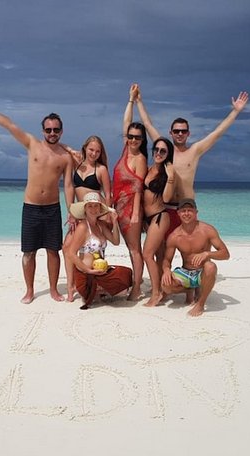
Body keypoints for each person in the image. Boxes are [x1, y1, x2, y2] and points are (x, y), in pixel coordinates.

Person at [0, 94, 74, 304]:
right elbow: (10, 125)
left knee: (53, 251)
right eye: (48, 130)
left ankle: (54, 290)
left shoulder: (65, 157)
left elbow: (68, 185)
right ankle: (30, 290)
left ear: (61, 131)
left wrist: (71, 211)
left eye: (56, 130)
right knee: (29, 252)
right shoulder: (32, 144)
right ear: (43, 131)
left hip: (52, 209)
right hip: (31, 208)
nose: (52, 133)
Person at [135, 85, 249, 205]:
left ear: (188, 133)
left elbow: (217, 133)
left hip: (186, 207)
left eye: (183, 131)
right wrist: (138, 101)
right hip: (165, 206)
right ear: (171, 133)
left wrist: (235, 111)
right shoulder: (164, 149)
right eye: (176, 131)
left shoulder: (194, 151)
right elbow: (148, 125)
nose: (180, 134)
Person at [161, 199, 230, 317]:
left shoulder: (207, 230)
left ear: (196, 212)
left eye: (190, 210)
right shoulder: (174, 236)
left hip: (202, 273)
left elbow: (225, 254)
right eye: (183, 211)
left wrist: (207, 254)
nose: (186, 213)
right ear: (178, 213)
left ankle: (200, 304)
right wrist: (166, 270)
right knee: (165, 286)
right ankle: (189, 290)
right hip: (186, 272)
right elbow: (167, 260)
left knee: (210, 266)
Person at [63, 136, 112, 301]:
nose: (94, 153)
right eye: (91, 149)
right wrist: (71, 210)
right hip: (81, 211)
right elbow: (70, 187)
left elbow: (108, 194)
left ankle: (94, 283)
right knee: (67, 247)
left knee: (95, 250)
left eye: (98, 151)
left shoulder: (101, 169)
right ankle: (71, 286)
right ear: (85, 148)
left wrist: (107, 215)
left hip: (97, 213)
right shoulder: (76, 163)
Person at [64, 192, 132, 310]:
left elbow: (116, 241)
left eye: (96, 206)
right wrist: (88, 270)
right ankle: (92, 290)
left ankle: (98, 290)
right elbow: (71, 253)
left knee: (127, 274)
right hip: (86, 274)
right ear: (85, 209)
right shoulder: (82, 227)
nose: (93, 209)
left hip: (100, 271)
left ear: (100, 208)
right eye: (90, 206)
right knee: (122, 290)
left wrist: (115, 222)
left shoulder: (100, 225)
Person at [113, 84, 148, 300]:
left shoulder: (140, 159)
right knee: (128, 247)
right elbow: (126, 121)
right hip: (118, 206)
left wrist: (135, 214)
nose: (133, 140)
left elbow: (138, 188)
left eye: (137, 137)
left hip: (131, 211)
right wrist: (131, 100)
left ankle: (136, 288)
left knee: (135, 249)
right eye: (131, 136)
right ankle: (137, 279)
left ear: (142, 140)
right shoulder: (126, 150)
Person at [141, 137, 175, 307]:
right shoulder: (148, 169)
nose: (159, 153)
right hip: (147, 218)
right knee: (159, 255)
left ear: (168, 154)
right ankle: (164, 288)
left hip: (159, 216)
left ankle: (156, 293)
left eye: (163, 151)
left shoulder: (167, 174)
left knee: (147, 254)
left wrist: (171, 177)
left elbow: (167, 198)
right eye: (156, 149)